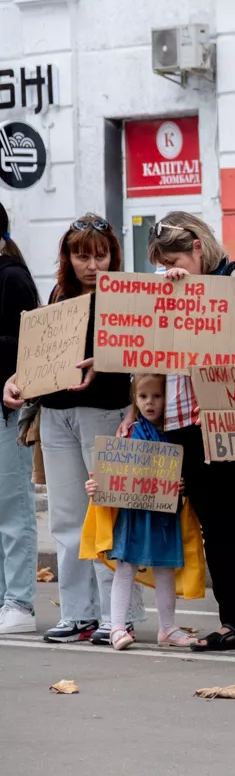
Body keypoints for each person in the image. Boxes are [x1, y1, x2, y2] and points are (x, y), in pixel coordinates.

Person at [2, 215, 143, 644]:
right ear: (67, 257)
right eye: (82, 255)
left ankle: (117, 615)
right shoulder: (59, 294)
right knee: (67, 516)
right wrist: (17, 380)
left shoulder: (125, 297)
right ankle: (79, 612)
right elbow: (38, 354)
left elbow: (146, 349)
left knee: (109, 512)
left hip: (104, 410)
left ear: (113, 256)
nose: (92, 265)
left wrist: (107, 361)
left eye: (100, 255)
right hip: (57, 412)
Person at [144, 212, 235, 652]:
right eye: (162, 264)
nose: (168, 270)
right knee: (213, 526)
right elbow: (149, 344)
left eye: (175, 258)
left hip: (232, 414)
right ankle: (232, 622)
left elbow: (231, 328)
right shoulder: (168, 286)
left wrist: (187, 294)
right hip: (184, 417)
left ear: (198, 247)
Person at [84, 374, 198, 650]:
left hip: (162, 514)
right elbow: (111, 471)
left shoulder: (175, 433)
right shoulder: (128, 432)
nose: (150, 403)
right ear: (134, 400)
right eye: (143, 397)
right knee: (125, 567)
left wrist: (181, 485)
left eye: (156, 396)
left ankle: (168, 628)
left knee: (165, 570)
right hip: (133, 514)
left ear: (167, 398)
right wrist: (95, 484)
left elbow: (182, 471)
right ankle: (117, 627)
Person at [0, 202, 40, 634]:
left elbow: (22, 348)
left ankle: (19, 602)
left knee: (12, 505)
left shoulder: (11, 276)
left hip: (8, 408)